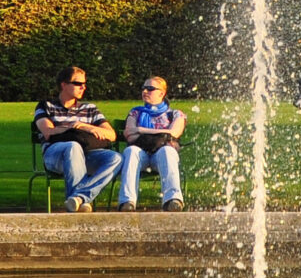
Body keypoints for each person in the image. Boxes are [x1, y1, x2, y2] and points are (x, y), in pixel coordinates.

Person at [33, 65, 121, 213]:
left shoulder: (90, 108)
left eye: (84, 84)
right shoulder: (46, 105)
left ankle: (79, 198)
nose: (83, 87)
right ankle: (80, 204)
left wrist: (86, 127)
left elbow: (111, 135)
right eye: (78, 83)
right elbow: (48, 132)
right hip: (56, 156)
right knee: (73, 146)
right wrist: (72, 127)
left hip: (86, 155)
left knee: (116, 158)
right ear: (64, 85)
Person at [116, 75, 187, 212]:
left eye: (150, 89)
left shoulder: (175, 114)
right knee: (131, 151)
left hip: (161, 155)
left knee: (167, 151)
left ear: (162, 93)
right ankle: (127, 201)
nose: (145, 91)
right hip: (141, 153)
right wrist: (162, 133)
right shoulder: (136, 112)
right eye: (143, 88)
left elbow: (174, 133)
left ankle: (173, 200)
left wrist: (141, 130)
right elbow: (129, 134)